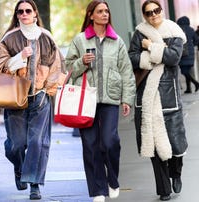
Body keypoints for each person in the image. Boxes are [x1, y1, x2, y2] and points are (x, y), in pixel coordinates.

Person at [0, 0, 65, 200]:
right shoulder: (9, 38)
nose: (24, 14)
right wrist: (19, 57)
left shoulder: (46, 36)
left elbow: (57, 66)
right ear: (17, 15)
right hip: (15, 98)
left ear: (34, 14)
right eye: (20, 11)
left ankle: (34, 184)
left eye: (28, 11)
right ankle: (19, 167)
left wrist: (47, 91)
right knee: (16, 144)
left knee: (37, 142)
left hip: (40, 97)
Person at [65, 1, 136, 201]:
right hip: (85, 99)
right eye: (100, 11)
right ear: (91, 15)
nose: (105, 14)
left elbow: (126, 72)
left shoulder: (117, 41)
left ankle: (112, 180)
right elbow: (68, 69)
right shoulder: (80, 40)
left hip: (111, 99)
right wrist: (81, 63)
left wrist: (127, 99)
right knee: (90, 145)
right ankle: (98, 190)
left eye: (106, 11)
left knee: (110, 141)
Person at [128, 0, 188, 201]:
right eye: (149, 12)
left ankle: (176, 173)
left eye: (156, 10)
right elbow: (133, 57)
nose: (153, 15)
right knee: (153, 143)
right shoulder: (139, 33)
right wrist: (155, 53)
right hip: (147, 96)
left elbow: (173, 58)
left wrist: (151, 47)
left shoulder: (174, 31)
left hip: (169, 95)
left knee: (175, 144)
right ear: (144, 16)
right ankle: (164, 190)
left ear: (161, 11)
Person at [177, 16, 199, 93]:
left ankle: (196, 83)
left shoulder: (179, 30)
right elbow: (197, 40)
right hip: (191, 54)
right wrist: (192, 46)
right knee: (187, 71)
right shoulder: (191, 29)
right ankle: (189, 89)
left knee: (184, 72)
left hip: (183, 54)